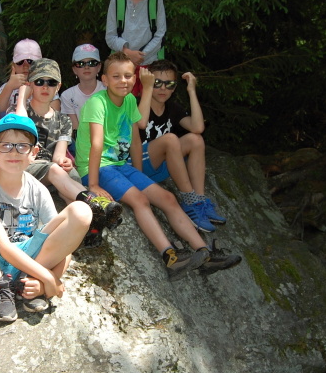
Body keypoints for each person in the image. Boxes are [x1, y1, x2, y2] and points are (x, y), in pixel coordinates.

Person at [75, 52, 240, 279]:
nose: (123, 81)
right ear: (104, 79)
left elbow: (135, 140)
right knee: (140, 200)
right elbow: (96, 144)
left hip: (121, 165)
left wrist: (138, 175)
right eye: (116, 76)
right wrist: (93, 184)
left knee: (168, 198)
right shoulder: (97, 103)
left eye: (128, 76)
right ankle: (170, 256)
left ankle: (205, 253)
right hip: (98, 167)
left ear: (135, 78)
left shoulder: (129, 101)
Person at [0, 114, 92, 322]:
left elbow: (64, 244)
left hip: (29, 257)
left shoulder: (38, 190)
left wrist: (46, 280)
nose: (13, 152)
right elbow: (3, 247)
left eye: (22, 146)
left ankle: (26, 282)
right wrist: (49, 278)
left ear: (34, 153)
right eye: (5, 145)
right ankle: (1, 287)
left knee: (81, 210)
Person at [14, 58, 122, 244]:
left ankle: (89, 228)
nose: (45, 86)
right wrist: (22, 98)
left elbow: (58, 155)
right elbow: (18, 131)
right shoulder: (20, 112)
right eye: (39, 81)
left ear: (58, 87)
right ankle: (94, 202)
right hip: (25, 167)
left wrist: (64, 161)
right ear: (30, 85)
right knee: (54, 170)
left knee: (70, 175)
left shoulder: (63, 120)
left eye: (51, 82)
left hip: (51, 171)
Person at [133, 60, 226, 233]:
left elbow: (198, 127)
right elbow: (141, 123)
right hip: (139, 165)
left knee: (195, 140)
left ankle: (199, 201)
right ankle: (189, 200)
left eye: (169, 84)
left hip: (162, 167)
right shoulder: (136, 102)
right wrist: (146, 89)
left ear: (174, 87)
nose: (163, 88)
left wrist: (191, 91)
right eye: (157, 83)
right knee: (170, 139)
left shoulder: (172, 108)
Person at [105, 0, 166, 96]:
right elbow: (110, 36)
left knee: (149, 103)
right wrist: (127, 53)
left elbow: (160, 35)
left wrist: (141, 56)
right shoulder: (117, 1)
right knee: (123, 104)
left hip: (151, 64)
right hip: (122, 67)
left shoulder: (155, 1)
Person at [0, 38, 57, 115]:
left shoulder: (48, 86)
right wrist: (9, 87)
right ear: (13, 65)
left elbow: (54, 113)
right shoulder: (6, 86)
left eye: (30, 61)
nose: (25, 66)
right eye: (20, 62)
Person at [60, 43, 106, 134]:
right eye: (80, 64)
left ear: (99, 67)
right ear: (74, 69)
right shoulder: (67, 96)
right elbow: (75, 128)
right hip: (80, 139)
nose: (86, 67)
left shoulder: (108, 91)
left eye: (92, 63)